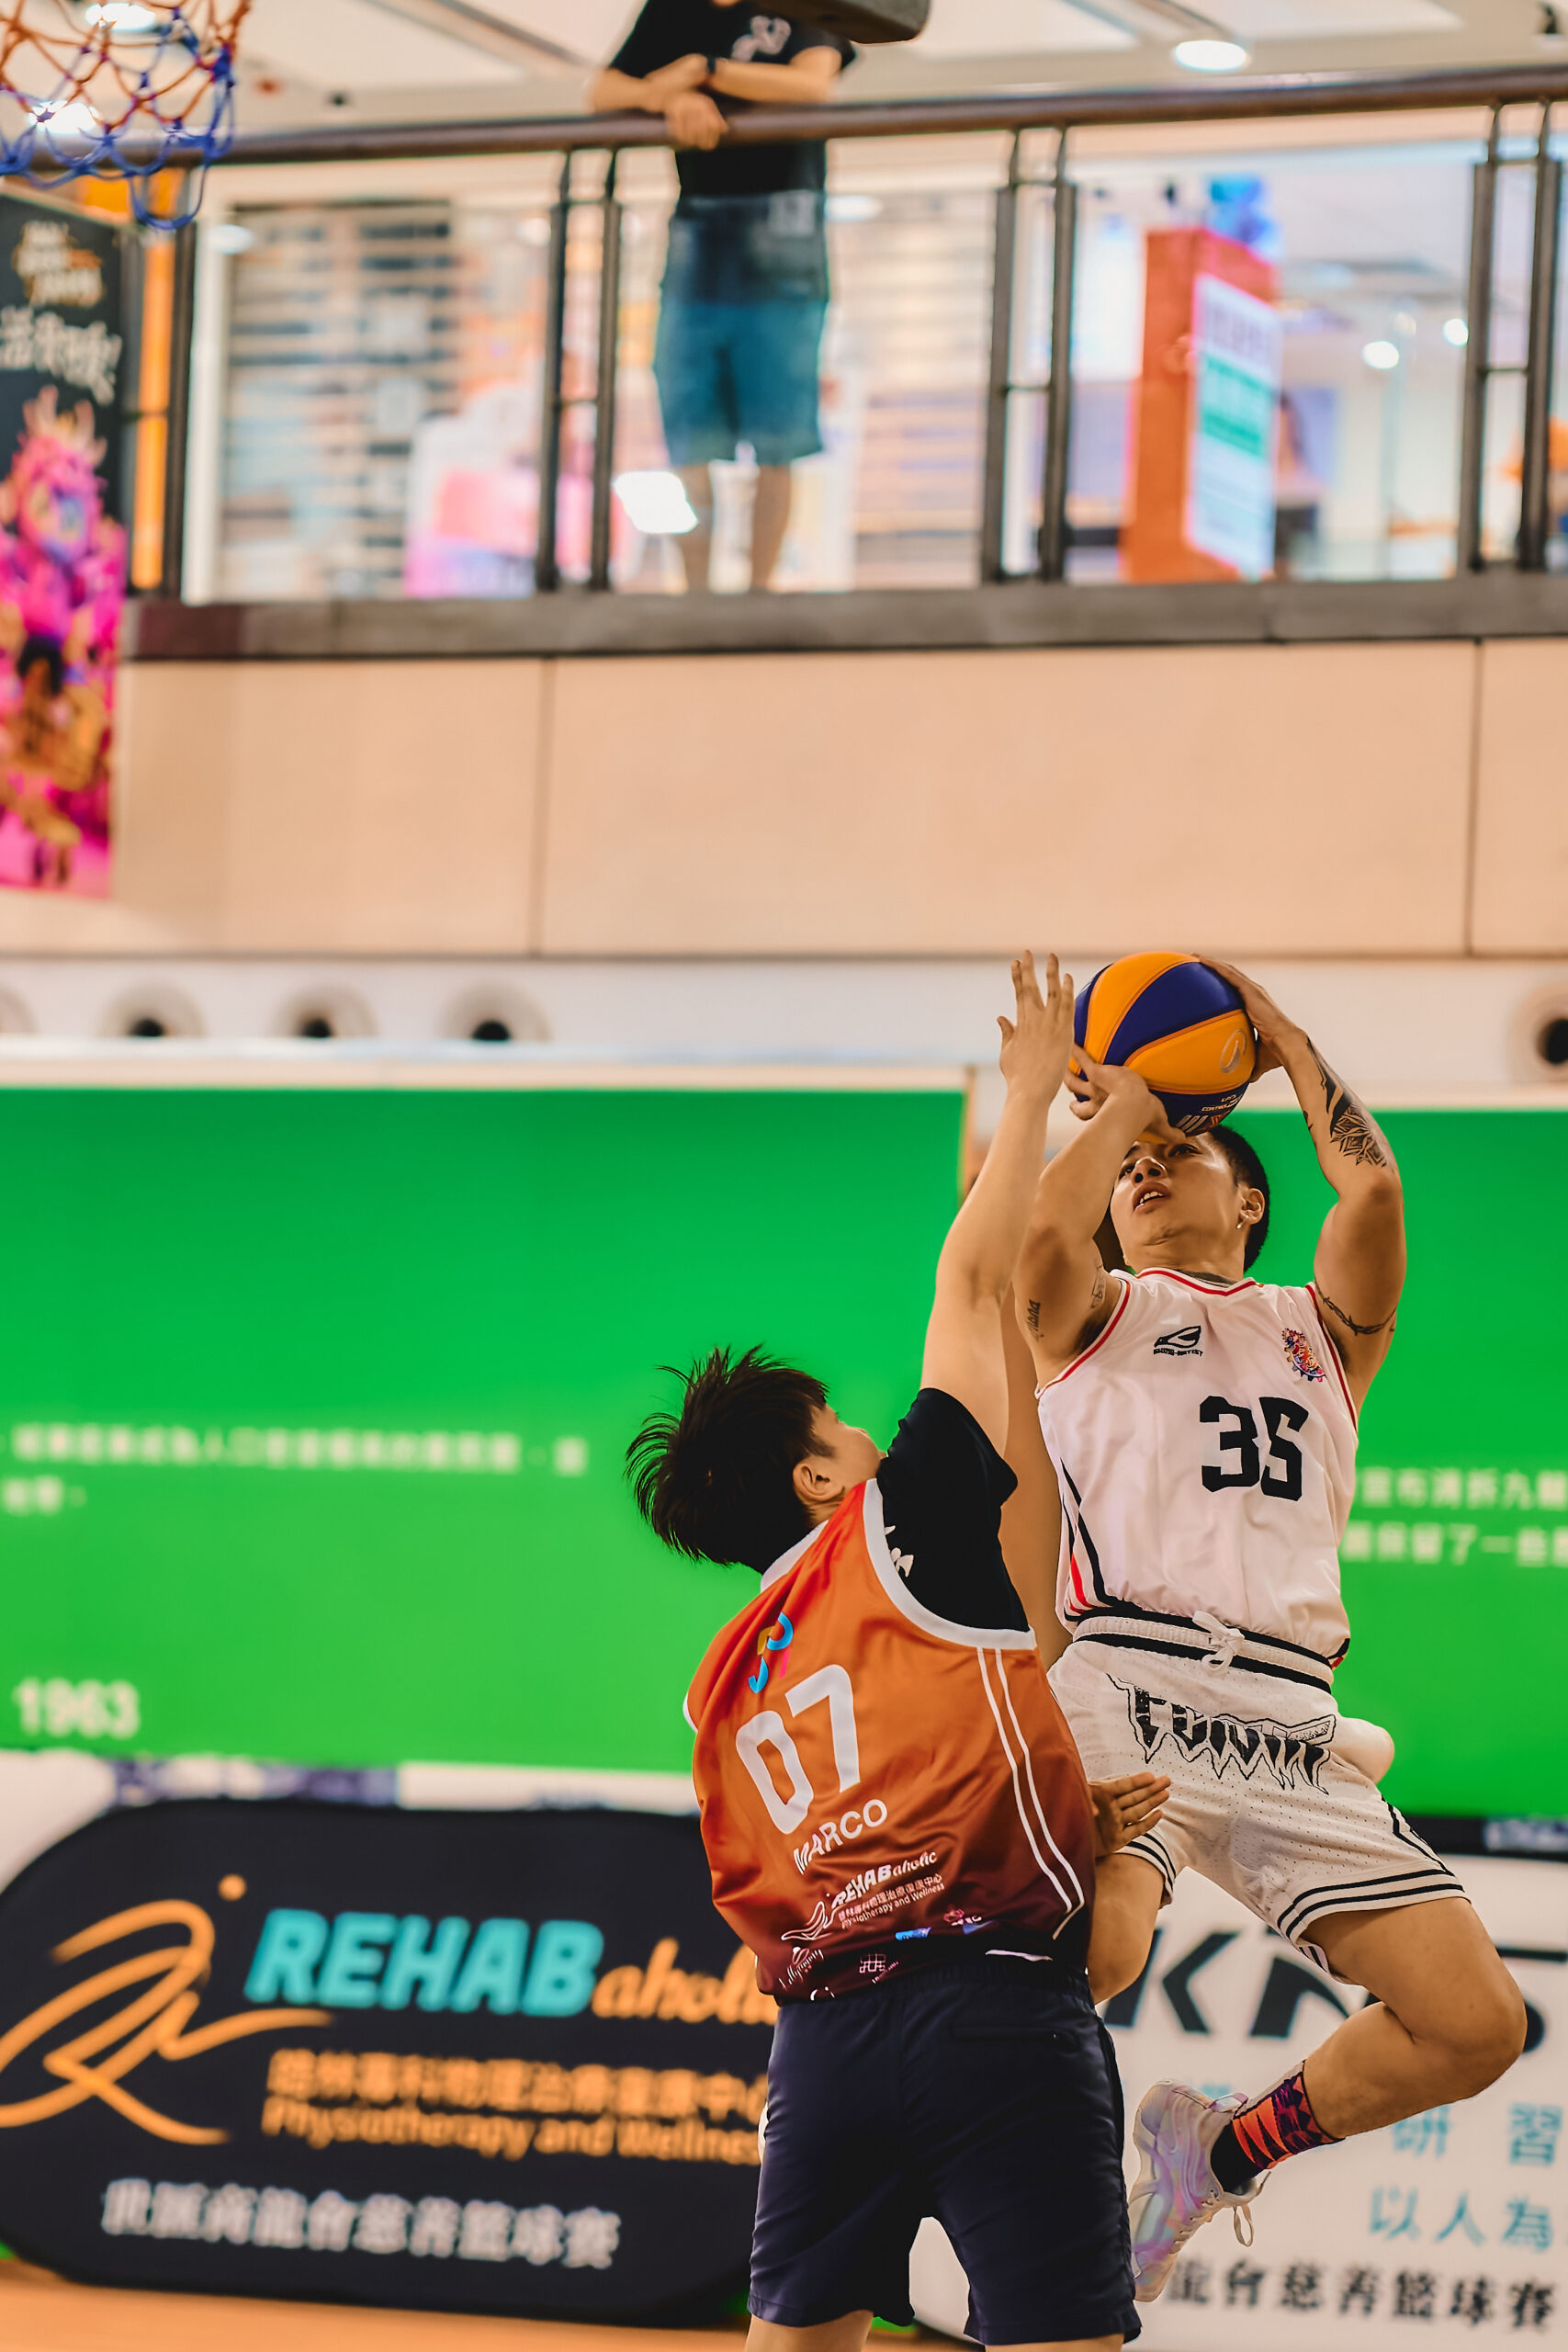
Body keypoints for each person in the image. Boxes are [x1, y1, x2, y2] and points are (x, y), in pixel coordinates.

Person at [626, 955, 1145, 2352]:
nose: (865, 1432)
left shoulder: (720, 1680)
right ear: (815, 1479)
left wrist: (1052, 1807)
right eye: (840, 1428)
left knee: (794, 2346)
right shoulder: (900, 1518)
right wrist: (1038, 1092)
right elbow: (975, 1278)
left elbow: (851, 1826)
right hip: (990, 2011)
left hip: (822, 2050)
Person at [1010, 960, 1528, 2301]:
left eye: (1177, 1154)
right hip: (1131, 1683)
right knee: (1100, 1951)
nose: (1144, 1168)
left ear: (1247, 1199)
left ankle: (1216, 2153)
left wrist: (1283, 1041)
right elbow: (1041, 1237)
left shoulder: (1323, 1333)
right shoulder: (1092, 1314)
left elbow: (1374, 1194)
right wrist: (1127, 1107)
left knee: (1475, 2025)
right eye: (1132, 1163)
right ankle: (1004, 2212)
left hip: (1293, 1722)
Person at [589, 5, 852, 590]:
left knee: (779, 436)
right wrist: (669, 97)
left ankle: (760, 592)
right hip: (699, 224)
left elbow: (814, 85)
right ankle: (696, 598)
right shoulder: (671, 9)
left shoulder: (798, 5)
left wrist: (706, 72)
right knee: (689, 426)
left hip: (784, 220)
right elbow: (602, 92)